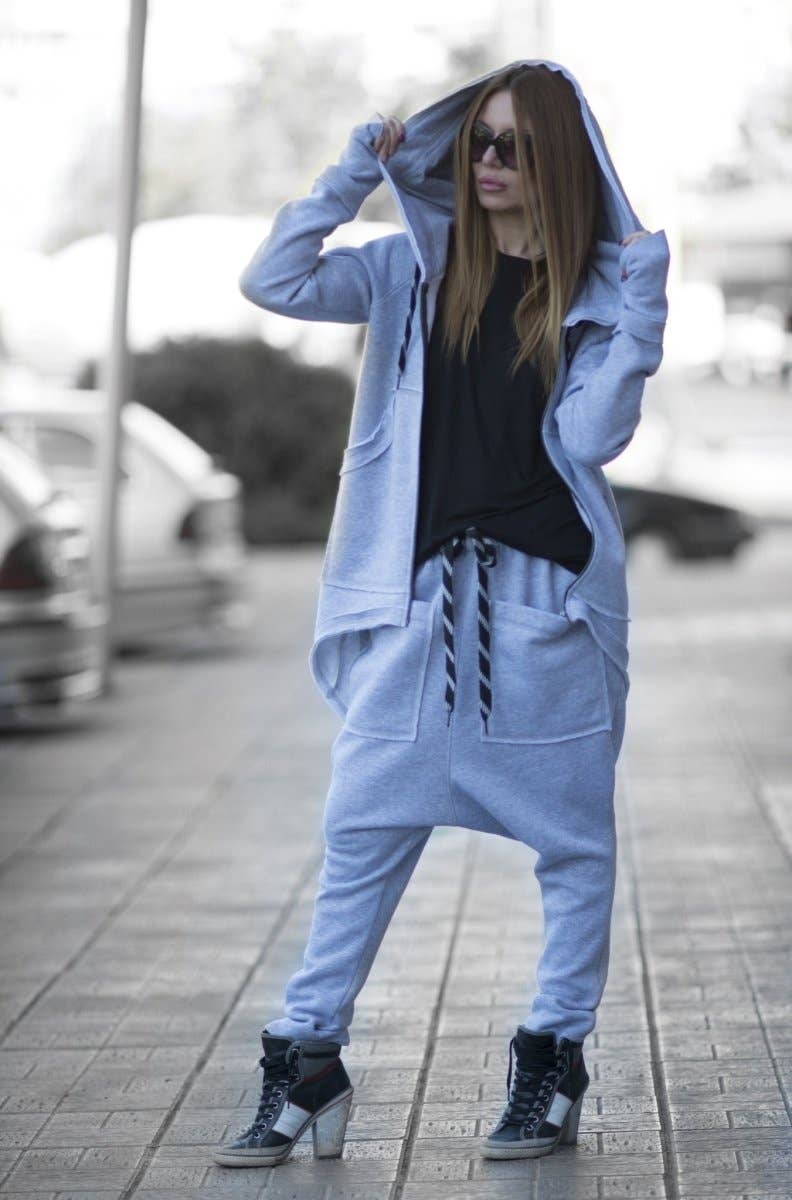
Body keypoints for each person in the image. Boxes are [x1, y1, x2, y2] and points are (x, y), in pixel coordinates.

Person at [213, 58, 670, 1169]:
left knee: (573, 850)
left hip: (543, 610)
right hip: (420, 609)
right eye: (479, 142)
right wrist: (349, 176)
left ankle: (551, 1060)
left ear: (560, 162)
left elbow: (596, 438)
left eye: (517, 145)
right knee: (359, 835)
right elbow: (274, 280)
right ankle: (305, 1059)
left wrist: (642, 311)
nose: (492, 163)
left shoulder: (592, 294)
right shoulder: (407, 272)